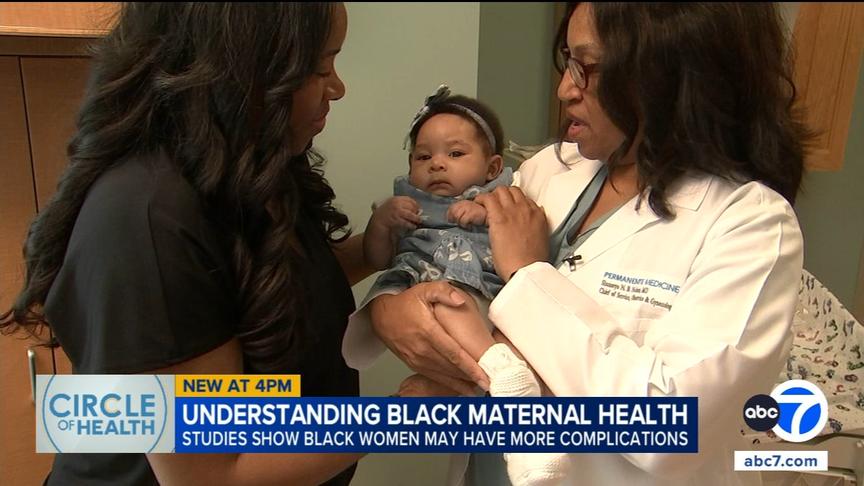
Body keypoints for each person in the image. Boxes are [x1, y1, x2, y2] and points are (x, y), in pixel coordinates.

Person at [344, 2, 810, 485]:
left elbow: (668, 429)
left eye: (588, 67)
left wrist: (527, 276)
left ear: (671, 72)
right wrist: (390, 310)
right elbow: (447, 262)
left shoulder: (750, 223)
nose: (566, 89)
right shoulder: (549, 168)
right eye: (568, 62)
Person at [0, 3, 450, 485]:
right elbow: (214, 471)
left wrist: (371, 249)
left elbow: (259, 295)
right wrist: (407, 415)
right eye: (319, 68)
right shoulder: (148, 217)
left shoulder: (246, 167)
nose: (337, 87)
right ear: (242, 70)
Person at [360, 87, 571, 485]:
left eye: (455, 154)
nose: (437, 164)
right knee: (436, 313)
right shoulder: (406, 204)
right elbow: (378, 258)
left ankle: (502, 376)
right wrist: (381, 223)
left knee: (449, 303)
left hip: (476, 290)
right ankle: (491, 381)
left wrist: (483, 213)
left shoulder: (499, 195)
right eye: (423, 157)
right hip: (422, 293)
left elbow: (524, 232)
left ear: (492, 167)